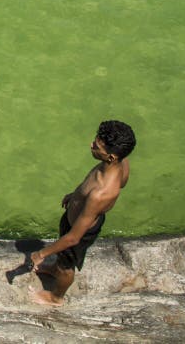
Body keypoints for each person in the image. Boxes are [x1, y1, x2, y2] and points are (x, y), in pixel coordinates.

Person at [29, 120, 137, 306]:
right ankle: (54, 269)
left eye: (97, 146)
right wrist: (75, 196)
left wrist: (41, 253)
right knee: (61, 258)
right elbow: (123, 182)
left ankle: (56, 297)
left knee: (66, 267)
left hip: (80, 230)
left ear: (111, 157)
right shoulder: (120, 162)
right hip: (76, 216)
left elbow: (73, 239)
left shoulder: (100, 194)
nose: (91, 145)